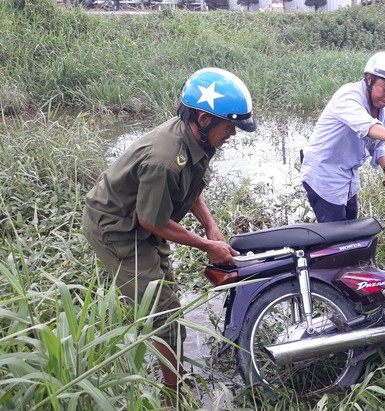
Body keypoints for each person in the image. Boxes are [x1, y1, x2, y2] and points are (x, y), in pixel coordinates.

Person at [81, 67, 256, 396]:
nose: (232, 134)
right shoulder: (165, 158)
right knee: (162, 311)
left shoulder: (193, 139)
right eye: (230, 126)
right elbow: (151, 221)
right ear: (204, 120)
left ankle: (173, 368)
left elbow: (188, 189)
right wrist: (206, 245)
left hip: (144, 219)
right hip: (117, 227)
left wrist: (210, 225)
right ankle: (174, 392)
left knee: (169, 297)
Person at [300, 51, 385, 222]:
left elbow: (377, 145)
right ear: (369, 79)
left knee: (351, 230)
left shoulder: (383, 108)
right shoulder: (348, 96)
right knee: (334, 237)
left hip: (348, 176)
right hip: (324, 174)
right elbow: (366, 126)